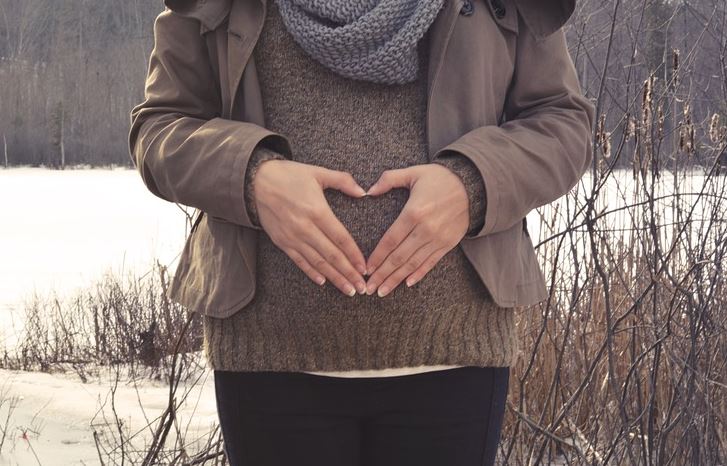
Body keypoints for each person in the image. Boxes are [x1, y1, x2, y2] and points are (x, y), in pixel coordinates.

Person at [128, 0, 594, 464]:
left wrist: (471, 184)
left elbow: (563, 123)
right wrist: (253, 177)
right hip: (268, 362)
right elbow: (160, 128)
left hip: (455, 360)